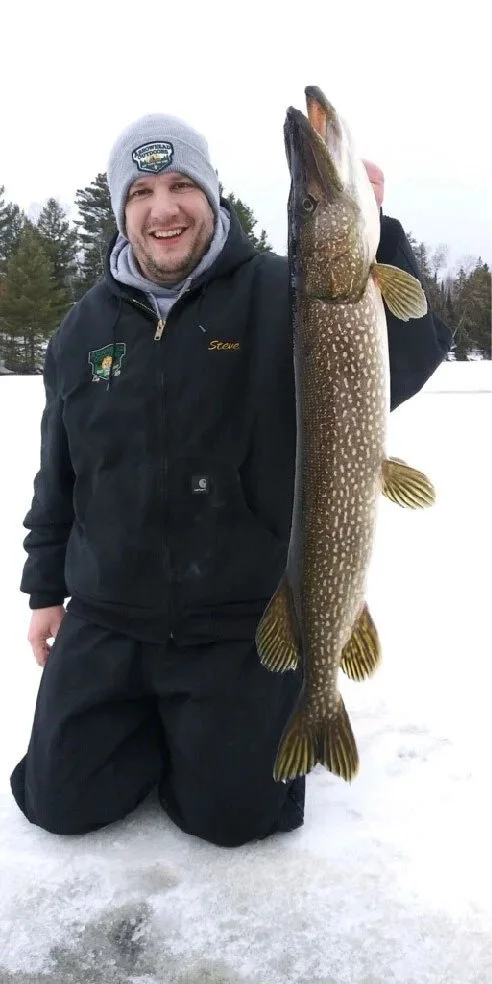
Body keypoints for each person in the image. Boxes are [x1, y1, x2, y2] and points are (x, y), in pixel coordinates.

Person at [10, 114, 452, 847]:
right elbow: (58, 476)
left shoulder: (289, 295)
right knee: (59, 802)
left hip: (236, 619)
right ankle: (148, 724)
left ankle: (206, 730)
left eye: (183, 184)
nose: (164, 208)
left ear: (211, 196)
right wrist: (44, 593)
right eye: (143, 191)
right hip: (108, 617)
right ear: (122, 211)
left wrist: (382, 233)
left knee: (237, 819)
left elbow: (406, 357)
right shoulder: (82, 331)